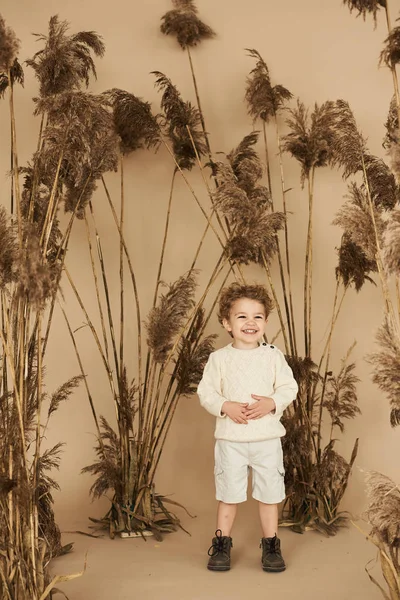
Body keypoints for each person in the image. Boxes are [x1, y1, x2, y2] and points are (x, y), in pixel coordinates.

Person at [197, 283, 298, 573]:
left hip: (266, 439)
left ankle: (271, 545)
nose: (250, 323)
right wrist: (225, 406)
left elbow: (289, 387)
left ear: (265, 322)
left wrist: (272, 403)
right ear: (227, 323)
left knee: (269, 494)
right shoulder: (219, 359)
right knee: (229, 494)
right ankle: (222, 543)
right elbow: (206, 393)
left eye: (257, 317)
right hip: (231, 439)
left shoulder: (273, 356)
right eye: (242, 317)